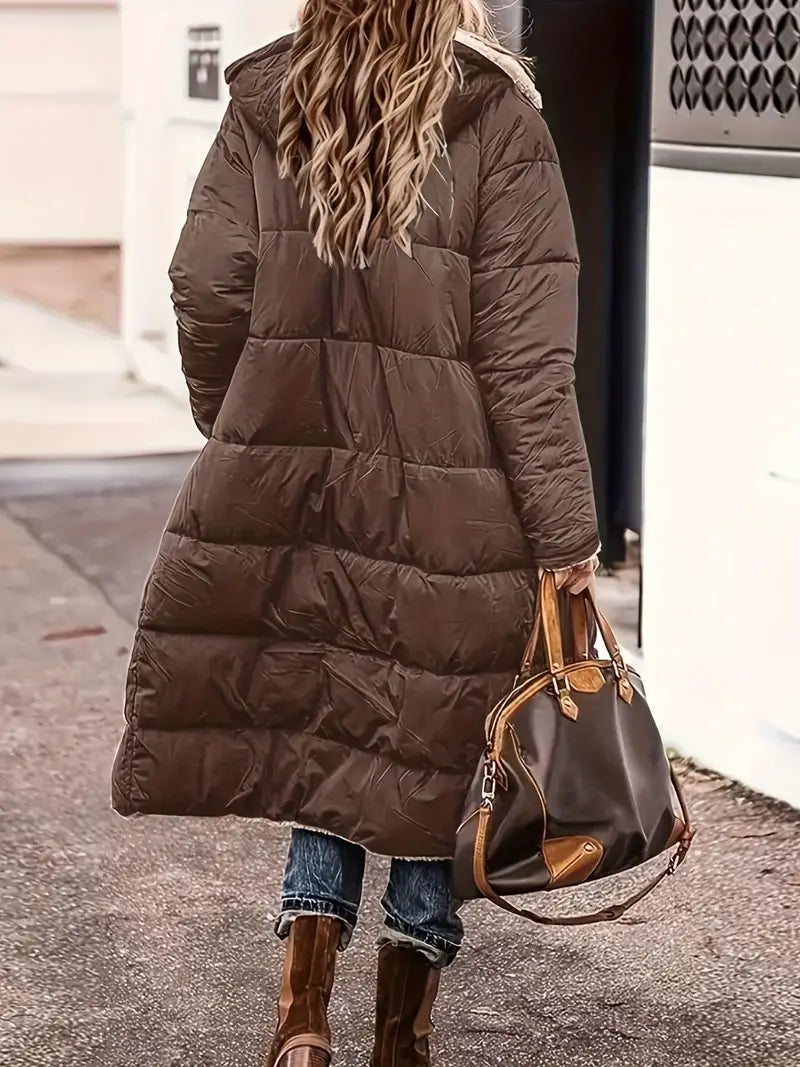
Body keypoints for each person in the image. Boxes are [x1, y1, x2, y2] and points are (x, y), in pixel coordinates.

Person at [111, 1, 600, 1064]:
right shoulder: (497, 116)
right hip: (456, 504)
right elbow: (526, 357)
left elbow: (206, 282)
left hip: (300, 485)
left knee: (326, 727)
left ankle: (300, 1018)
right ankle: (400, 1034)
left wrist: (244, 424)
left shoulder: (273, 98)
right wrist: (565, 532)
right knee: (435, 738)